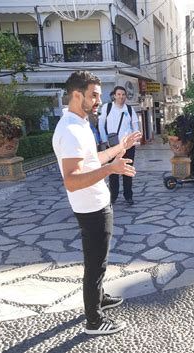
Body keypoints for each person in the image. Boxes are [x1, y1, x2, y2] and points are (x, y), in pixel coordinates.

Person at [52, 71, 141, 335]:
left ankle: (99, 298)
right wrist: (111, 170)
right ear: (76, 94)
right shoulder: (68, 130)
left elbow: (92, 159)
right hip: (90, 208)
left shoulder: (80, 123)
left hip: (96, 204)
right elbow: (71, 180)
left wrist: (118, 148)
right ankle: (94, 320)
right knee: (94, 265)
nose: (98, 101)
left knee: (99, 261)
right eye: (94, 95)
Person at [98, 86, 140, 205]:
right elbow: (101, 124)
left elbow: (135, 126)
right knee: (113, 172)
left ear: (125, 96)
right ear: (114, 95)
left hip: (128, 146)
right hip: (112, 146)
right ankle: (113, 196)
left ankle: (128, 196)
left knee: (128, 171)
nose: (121, 97)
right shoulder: (108, 107)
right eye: (119, 94)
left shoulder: (130, 110)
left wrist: (134, 139)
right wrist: (104, 140)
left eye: (123, 94)